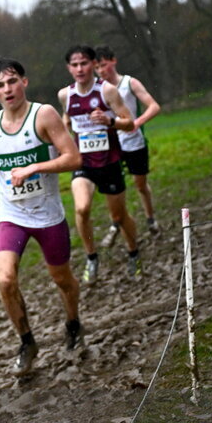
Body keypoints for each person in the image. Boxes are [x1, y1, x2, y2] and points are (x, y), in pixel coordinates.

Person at [0, 58, 84, 376]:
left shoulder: (44, 115)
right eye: (0, 84)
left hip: (48, 215)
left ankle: (73, 322)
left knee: (62, 280)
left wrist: (34, 167)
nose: (7, 89)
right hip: (11, 214)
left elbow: (73, 157)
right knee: (6, 280)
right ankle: (27, 342)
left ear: (24, 82)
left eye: (12, 81)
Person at [57, 45, 141, 282]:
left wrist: (109, 121)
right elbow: (67, 117)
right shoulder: (65, 95)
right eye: (74, 65)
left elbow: (129, 122)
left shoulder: (108, 91)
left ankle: (133, 252)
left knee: (119, 216)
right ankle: (91, 257)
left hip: (110, 161)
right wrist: (66, 128)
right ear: (69, 68)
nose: (79, 68)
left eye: (84, 63)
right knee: (82, 208)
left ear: (93, 64)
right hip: (83, 163)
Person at [94, 44, 162, 247]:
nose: (101, 71)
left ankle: (150, 218)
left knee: (140, 184)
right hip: (111, 145)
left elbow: (154, 106)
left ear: (113, 61)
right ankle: (115, 223)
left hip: (134, 142)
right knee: (114, 188)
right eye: (97, 67)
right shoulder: (98, 89)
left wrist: (136, 123)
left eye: (104, 65)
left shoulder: (129, 83)